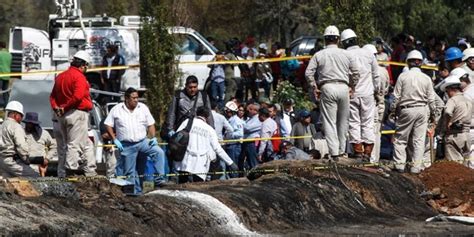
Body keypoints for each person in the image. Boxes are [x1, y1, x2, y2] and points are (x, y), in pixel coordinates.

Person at [305, 25, 360, 161]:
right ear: (338, 40)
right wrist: (352, 86)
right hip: (343, 87)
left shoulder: (319, 54)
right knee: (343, 121)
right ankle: (341, 151)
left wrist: (314, 86)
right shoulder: (346, 54)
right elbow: (357, 73)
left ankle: (334, 152)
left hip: (327, 87)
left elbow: (308, 73)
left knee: (329, 122)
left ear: (325, 39)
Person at [104, 87, 166, 195]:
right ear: (127, 99)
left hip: (142, 141)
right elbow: (108, 124)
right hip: (126, 145)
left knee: (159, 152)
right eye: (133, 98)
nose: (136, 100)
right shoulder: (117, 109)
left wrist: (153, 137)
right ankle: (133, 194)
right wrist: (114, 139)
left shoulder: (143, 108)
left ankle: (159, 180)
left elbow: (150, 124)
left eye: (137, 98)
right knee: (130, 172)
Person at [50, 50, 96, 176]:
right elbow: (78, 96)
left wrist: (57, 108)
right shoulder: (79, 77)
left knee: (85, 144)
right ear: (83, 64)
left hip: (63, 116)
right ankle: (71, 174)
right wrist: (64, 107)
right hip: (77, 114)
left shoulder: (60, 76)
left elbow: (52, 96)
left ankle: (90, 172)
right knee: (74, 145)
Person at [390, 50, 436, 173]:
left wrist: (393, 110)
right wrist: (433, 115)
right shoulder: (426, 78)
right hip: (422, 109)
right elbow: (431, 99)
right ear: (420, 63)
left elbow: (396, 97)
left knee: (401, 138)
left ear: (408, 63)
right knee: (419, 140)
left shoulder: (403, 76)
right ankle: (416, 167)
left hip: (407, 109)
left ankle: (399, 165)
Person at [341, 29, 379, 160]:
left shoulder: (344, 54)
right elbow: (376, 74)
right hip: (368, 94)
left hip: (352, 93)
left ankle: (357, 152)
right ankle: (367, 153)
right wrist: (375, 90)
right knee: (368, 122)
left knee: (354, 122)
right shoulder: (368, 53)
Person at [174, 106, 238, 183]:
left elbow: (177, 137)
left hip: (185, 160)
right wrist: (230, 163)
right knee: (198, 187)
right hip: (200, 164)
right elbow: (218, 149)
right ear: (208, 116)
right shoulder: (210, 130)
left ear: (197, 113)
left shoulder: (187, 122)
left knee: (182, 185)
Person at [0, 101, 38, 177]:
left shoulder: (2, 125)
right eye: (21, 116)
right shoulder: (16, 126)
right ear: (15, 114)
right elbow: (21, 147)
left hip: (2, 161)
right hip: (12, 162)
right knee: (35, 177)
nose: (21, 119)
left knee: (9, 184)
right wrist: (26, 160)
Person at [440, 75, 472, 164]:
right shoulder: (467, 100)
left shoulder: (453, 100)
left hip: (455, 135)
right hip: (467, 134)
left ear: (450, 89)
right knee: (466, 164)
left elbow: (447, 112)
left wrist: (448, 122)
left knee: (454, 164)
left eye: (447, 91)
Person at [23, 112, 56, 177]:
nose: (29, 125)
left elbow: (54, 146)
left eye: (31, 124)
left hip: (38, 169)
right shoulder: (21, 132)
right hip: (23, 168)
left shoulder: (44, 134)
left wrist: (47, 159)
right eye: (27, 123)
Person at [224, 101, 245, 177]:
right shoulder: (231, 119)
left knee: (233, 165)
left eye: (227, 111)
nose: (226, 112)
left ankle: (235, 179)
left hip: (234, 145)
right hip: (231, 145)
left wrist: (229, 134)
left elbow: (240, 133)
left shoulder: (236, 120)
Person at [242, 103, 262, 169]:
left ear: (256, 111)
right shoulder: (250, 119)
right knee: (249, 162)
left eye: (250, 109)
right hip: (247, 142)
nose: (248, 111)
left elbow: (247, 128)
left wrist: (243, 127)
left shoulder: (258, 119)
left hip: (252, 143)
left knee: (253, 162)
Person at [0, 41, 12, 107]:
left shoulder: (0, 54)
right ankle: (7, 106)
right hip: (7, 75)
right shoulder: (9, 54)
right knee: (5, 92)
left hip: (1, 75)